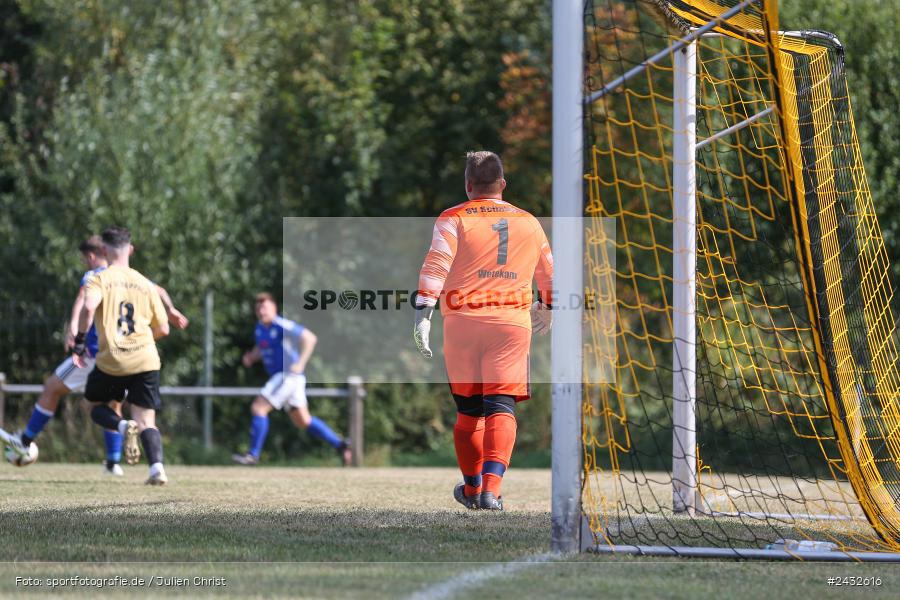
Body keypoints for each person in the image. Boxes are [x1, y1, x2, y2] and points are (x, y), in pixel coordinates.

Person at [414, 151, 553, 511]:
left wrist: (423, 312)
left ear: (468, 185)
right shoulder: (529, 222)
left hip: (462, 323)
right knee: (501, 406)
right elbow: (550, 275)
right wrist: (548, 308)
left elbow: (436, 263)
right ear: (503, 185)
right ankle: (491, 490)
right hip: (510, 325)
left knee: (468, 412)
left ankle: (472, 487)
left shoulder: (453, 218)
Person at [5, 236, 188, 476]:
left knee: (53, 388)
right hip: (132, 356)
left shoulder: (96, 277)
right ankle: (113, 463)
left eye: (84, 259)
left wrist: (73, 329)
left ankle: (25, 440)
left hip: (94, 353)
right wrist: (171, 309)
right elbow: (159, 290)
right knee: (112, 406)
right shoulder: (132, 278)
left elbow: (84, 301)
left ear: (93, 255)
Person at [74, 226, 171, 485]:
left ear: (104, 250)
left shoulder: (99, 279)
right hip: (145, 359)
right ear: (130, 250)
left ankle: (120, 426)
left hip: (112, 360)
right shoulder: (145, 283)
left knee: (94, 406)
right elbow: (163, 328)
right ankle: (157, 469)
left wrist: (80, 342)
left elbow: (88, 307)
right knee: (146, 419)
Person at [232, 292, 352, 466]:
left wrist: (301, 362)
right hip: (291, 379)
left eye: (264, 306)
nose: (261, 310)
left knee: (258, 408)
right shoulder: (260, 328)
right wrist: (252, 356)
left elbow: (310, 338)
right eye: (258, 307)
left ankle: (253, 455)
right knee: (303, 420)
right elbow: (263, 346)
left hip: (287, 375)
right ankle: (341, 446)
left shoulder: (280, 324)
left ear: (275, 308)